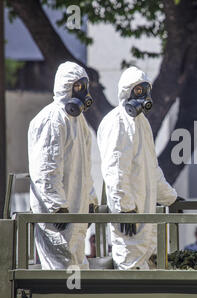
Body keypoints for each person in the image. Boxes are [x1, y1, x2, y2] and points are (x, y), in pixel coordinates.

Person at [97, 66, 180, 270]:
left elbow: (152, 169)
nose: (144, 96)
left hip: (146, 217)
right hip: (130, 220)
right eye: (139, 91)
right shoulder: (117, 122)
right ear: (127, 91)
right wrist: (124, 209)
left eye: (146, 90)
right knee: (131, 274)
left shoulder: (141, 123)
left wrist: (171, 197)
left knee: (149, 274)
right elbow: (114, 170)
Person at [28, 61, 97, 270]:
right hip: (58, 216)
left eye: (84, 86)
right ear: (65, 86)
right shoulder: (51, 119)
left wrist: (90, 200)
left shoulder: (79, 121)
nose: (83, 92)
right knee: (61, 274)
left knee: (77, 270)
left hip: (75, 211)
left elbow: (85, 168)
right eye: (78, 86)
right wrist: (56, 206)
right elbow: (45, 168)